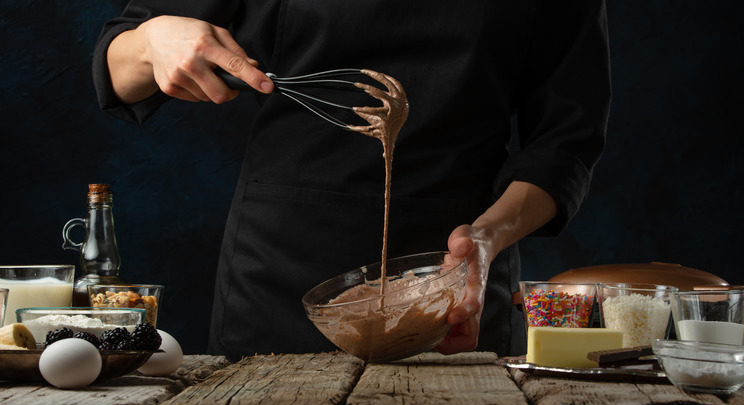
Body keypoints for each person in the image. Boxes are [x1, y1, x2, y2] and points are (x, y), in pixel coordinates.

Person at [93, 0, 611, 361]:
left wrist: (486, 237)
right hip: (279, 270)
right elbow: (118, 68)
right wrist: (151, 41)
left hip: (453, 282)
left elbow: (564, 145)